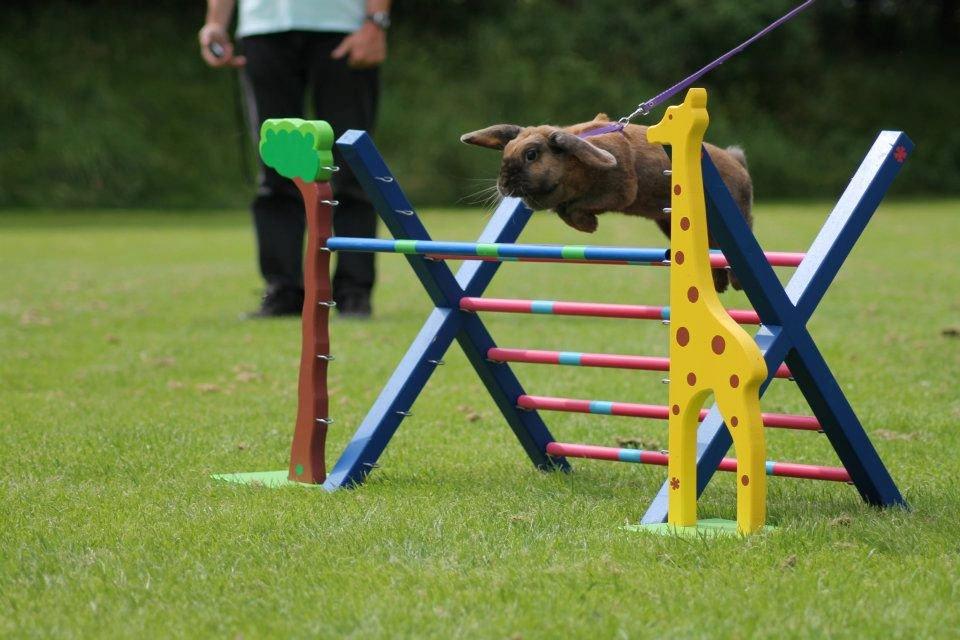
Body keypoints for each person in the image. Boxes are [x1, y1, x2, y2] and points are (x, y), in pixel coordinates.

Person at [199, 0, 391, 318]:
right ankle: (283, 291)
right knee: (276, 168)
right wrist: (215, 22)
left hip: (343, 26)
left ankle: (354, 291)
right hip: (263, 28)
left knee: (352, 168)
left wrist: (375, 23)